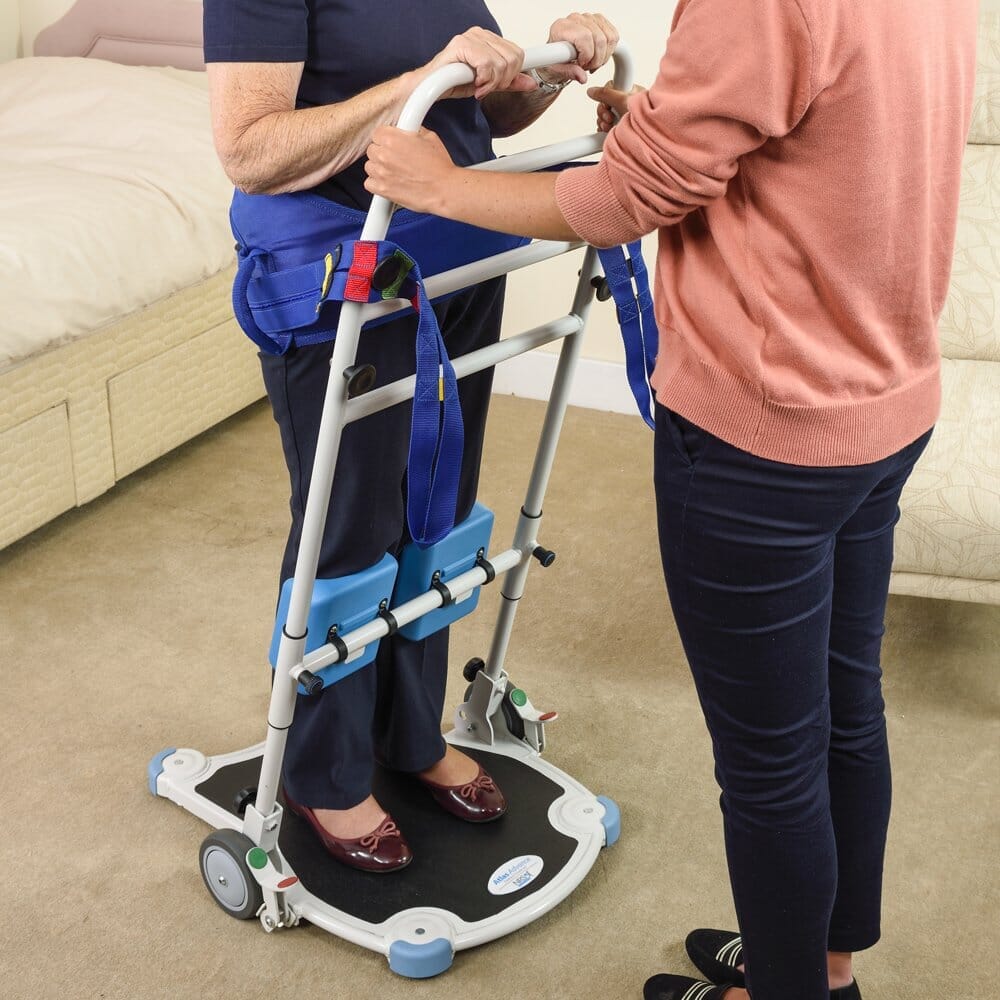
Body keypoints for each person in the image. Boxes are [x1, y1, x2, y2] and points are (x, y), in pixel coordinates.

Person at [364, 0, 979, 994]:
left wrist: (439, 184)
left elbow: (620, 204)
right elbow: (834, 132)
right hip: (884, 406)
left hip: (762, 438)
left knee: (772, 764)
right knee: (843, 712)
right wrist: (667, 120)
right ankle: (820, 966)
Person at [202, 3, 619, 873]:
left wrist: (544, 67)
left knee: (441, 510)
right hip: (341, 272)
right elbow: (250, 150)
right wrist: (418, 83)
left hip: (458, 251)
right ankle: (324, 772)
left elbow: (482, 113)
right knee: (351, 526)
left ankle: (409, 733)